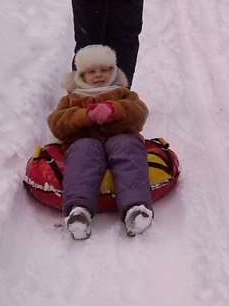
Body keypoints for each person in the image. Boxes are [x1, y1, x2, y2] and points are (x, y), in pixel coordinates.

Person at [47, 44, 153, 240]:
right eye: (92, 71)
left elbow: (140, 113)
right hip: (84, 140)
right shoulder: (72, 98)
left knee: (128, 149)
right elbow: (56, 124)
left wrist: (115, 110)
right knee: (83, 154)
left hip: (120, 136)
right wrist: (83, 116)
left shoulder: (122, 92)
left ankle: (135, 208)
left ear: (113, 72)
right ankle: (79, 211)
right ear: (81, 75)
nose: (98, 75)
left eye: (104, 70)